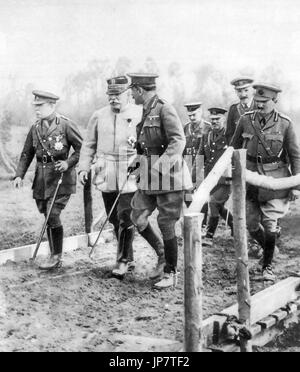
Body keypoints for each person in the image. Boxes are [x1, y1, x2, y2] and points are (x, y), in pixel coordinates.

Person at [127, 72, 192, 289]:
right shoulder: (146, 110)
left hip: (169, 177)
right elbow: (146, 145)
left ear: (139, 90)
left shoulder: (165, 108)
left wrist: (159, 167)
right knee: (138, 216)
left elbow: (178, 141)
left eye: (132, 91)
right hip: (148, 175)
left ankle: (170, 272)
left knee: (166, 224)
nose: (131, 96)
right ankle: (162, 253)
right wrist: (137, 163)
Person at [231, 83, 300, 282]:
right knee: (251, 223)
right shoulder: (245, 120)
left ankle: (267, 267)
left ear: (275, 100)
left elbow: (295, 156)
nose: (259, 105)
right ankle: (270, 247)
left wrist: (295, 186)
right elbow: (233, 149)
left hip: (276, 181)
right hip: (251, 180)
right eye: (258, 101)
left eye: (264, 102)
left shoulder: (285, 124)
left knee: (270, 224)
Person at [78, 76, 142, 278]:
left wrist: (141, 165)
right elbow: (88, 144)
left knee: (125, 215)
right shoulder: (98, 115)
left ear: (129, 94)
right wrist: (83, 168)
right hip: (106, 171)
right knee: (114, 217)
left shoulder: (139, 114)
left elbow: (147, 144)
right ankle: (129, 257)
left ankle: (122, 261)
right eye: (110, 95)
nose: (113, 99)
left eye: (118, 95)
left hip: (129, 170)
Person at [13, 90, 82, 270]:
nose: (36, 110)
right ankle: (54, 254)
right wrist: (19, 175)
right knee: (46, 213)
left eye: (40, 106)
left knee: (53, 214)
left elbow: (82, 149)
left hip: (61, 178)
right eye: (35, 106)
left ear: (52, 105)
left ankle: (56, 256)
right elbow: (26, 153)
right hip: (42, 178)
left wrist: (68, 163)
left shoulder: (66, 125)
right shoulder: (35, 128)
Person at [196, 107, 234, 247]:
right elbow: (200, 156)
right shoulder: (207, 135)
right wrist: (195, 177)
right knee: (218, 206)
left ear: (223, 119)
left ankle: (210, 235)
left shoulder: (230, 136)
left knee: (213, 202)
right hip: (209, 179)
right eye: (212, 120)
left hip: (225, 179)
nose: (214, 122)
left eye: (217, 119)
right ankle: (234, 226)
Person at [183, 102, 210, 227]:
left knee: (201, 196)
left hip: (201, 164)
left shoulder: (208, 127)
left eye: (194, 115)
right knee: (187, 195)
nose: (192, 118)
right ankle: (193, 218)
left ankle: (203, 224)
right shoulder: (186, 128)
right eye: (190, 116)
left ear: (201, 112)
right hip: (187, 164)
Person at [225, 77, 256, 145]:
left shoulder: (259, 107)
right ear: (236, 92)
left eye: (246, 90)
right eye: (239, 91)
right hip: (238, 152)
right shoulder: (233, 109)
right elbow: (229, 134)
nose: (243, 94)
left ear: (252, 90)